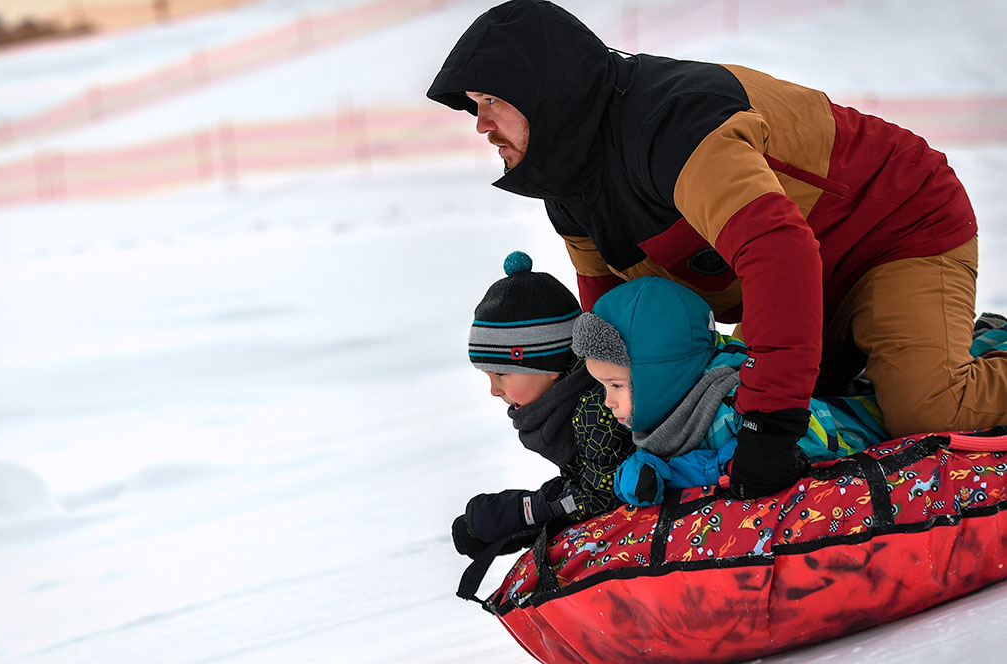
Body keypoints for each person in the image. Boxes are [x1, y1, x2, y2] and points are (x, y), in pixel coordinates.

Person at [427, 0, 1007, 499]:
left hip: (892, 229)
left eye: (490, 101)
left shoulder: (675, 125)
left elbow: (778, 254)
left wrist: (768, 420)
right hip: (795, 284)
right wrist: (592, 440)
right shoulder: (572, 189)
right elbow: (623, 327)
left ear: (542, 93)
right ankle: (934, 345)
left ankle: (955, 355)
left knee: (925, 409)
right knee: (783, 410)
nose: (481, 125)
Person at [572, 276, 888, 503]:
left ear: (660, 376)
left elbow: (807, 446)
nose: (608, 402)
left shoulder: (735, 402)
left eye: (616, 386)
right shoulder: (668, 420)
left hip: (865, 433)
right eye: (604, 387)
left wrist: (716, 465)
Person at [451, 251, 637, 560]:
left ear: (547, 364)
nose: (494, 391)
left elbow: (605, 498)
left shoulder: (596, 406)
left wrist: (524, 513)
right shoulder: (565, 402)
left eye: (500, 374)